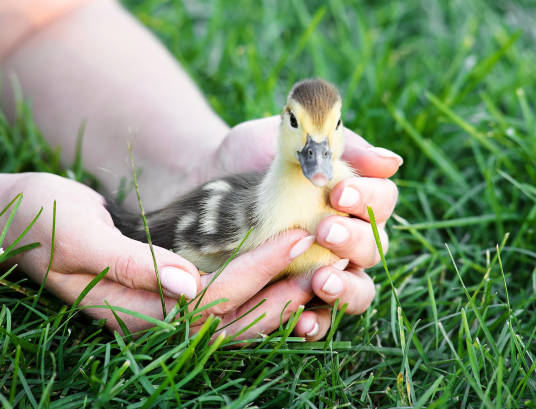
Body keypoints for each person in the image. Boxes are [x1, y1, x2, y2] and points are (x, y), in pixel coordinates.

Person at [0, 0, 401, 340]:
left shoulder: (323, 190)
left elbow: (40, 20)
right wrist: (9, 207)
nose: (318, 158)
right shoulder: (245, 216)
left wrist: (191, 162)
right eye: (298, 126)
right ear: (286, 123)